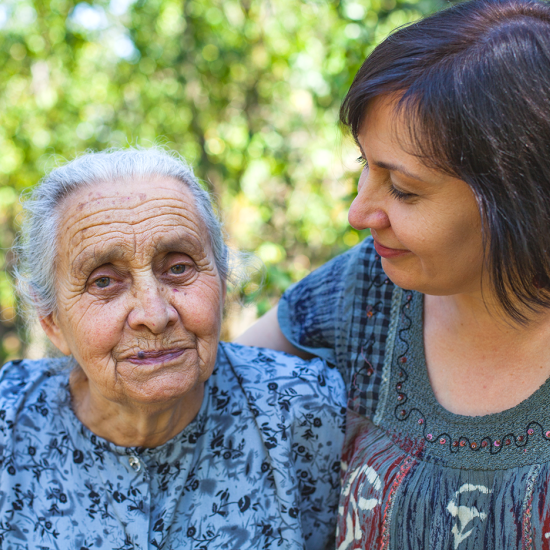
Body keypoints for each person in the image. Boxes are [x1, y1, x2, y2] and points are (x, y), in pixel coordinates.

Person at [237, 0, 550, 547]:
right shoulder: (365, 290)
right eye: (365, 166)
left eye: (403, 189)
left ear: (521, 199)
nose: (359, 214)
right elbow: (220, 390)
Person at [0, 148, 346, 550]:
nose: (154, 313)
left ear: (222, 283)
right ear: (52, 322)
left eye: (178, 268)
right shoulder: (8, 424)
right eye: (104, 282)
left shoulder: (308, 411)